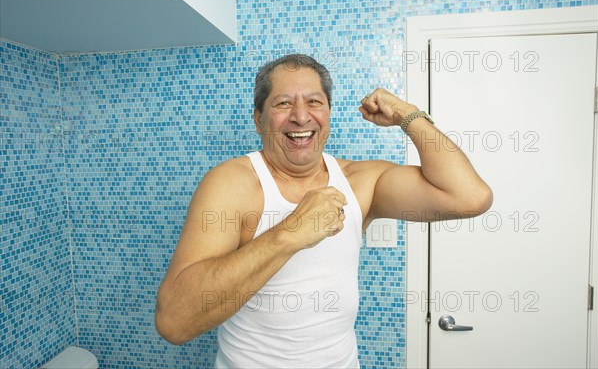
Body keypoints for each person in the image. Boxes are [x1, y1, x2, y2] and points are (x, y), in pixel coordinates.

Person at [155, 54, 493, 367]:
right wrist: (290, 233)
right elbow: (174, 322)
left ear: (328, 113)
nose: (301, 116)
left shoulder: (360, 182)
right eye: (284, 103)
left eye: (314, 102)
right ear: (259, 119)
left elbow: (468, 197)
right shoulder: (232, 184)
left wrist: (410, 116)